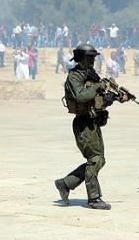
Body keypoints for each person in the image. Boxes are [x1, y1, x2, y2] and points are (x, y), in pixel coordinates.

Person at [54, 44, 127, 210]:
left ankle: (65, 183)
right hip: (83, 123)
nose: (93, 61)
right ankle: (93, 198)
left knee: (99, 160)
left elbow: (99, 98)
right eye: (90, 58)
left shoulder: (90, 75)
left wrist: (115, 97)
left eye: (94, 58)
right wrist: (97, 87)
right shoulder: (74, 77)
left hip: (93, 121)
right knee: (95, 159)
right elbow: (81, 96)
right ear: (81, 58)